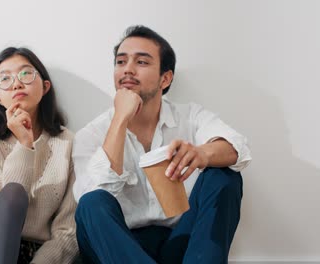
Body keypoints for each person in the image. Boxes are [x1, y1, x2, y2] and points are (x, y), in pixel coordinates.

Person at [73, 25, 252, 264]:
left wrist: (202, 154)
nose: (127, 70)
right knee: (91, 202)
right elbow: (93, 203)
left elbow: (237, 148)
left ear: (165, 78)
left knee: (224, 175)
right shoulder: (92, 134)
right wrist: (120, 119)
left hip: (179, 246)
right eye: (121, 62)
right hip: (117, 248)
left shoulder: (190, 117)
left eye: (142, 62)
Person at [0, 47, 78, 264]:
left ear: (45, 86)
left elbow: (67, 231)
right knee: (13, 193)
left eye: (26, 74)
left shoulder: (67, 142)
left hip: (37, 255)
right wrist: (24, 145)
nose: (17, 83)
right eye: (4, 79)